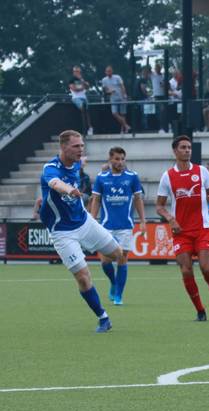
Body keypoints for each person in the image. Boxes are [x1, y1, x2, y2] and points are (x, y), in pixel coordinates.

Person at [40, 130, 124, 332]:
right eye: (76, 146)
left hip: (85, 222)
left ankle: (113, 283)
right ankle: (103, 317)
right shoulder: (50, 168)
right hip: (62, 232)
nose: (81, 149)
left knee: (118, 254)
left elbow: (80, 164)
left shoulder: (77, 163)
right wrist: (69, 190)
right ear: (63, 147)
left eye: (82, 146)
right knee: (83, 277)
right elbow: (55, 183)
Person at [156, 136, 209, 321]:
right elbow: (159, 205)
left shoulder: (202, 171)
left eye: (189, 148)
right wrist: (171, 219)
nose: (187, 150)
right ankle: (200, 311)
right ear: (175, 151)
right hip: (181, 232)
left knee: (206, 268)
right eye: (183, 147)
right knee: (186, 271)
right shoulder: (167, 176)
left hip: (202, 228)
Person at [89, 147, 146, 305]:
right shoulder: (101, 178)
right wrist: (92, 220)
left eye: (122, 159)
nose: (120, 162)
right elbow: (96, 200)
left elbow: (138, 199)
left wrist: (143, 221)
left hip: (125, 226)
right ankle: (114, 282)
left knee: (122, 258)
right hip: (107, 225)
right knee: (105, 261)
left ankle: (119, 295)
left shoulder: (132, 177)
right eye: (117, 159)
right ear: (110, 159)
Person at [101, 65, 131, 134]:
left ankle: (123, 130)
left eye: (110, 71)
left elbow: (122, 86)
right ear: (105, 72)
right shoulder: (104, 80)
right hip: (113, 99)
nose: (109, 72)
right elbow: (105, 90)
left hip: (121, 97)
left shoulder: (117, 77)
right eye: (107, 71)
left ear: (112, 71)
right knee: (114, 113)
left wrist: (124, 95)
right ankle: (126, 126)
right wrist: (109, 91)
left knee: (123, 114)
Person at [68, 66, 93, 135]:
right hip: (76, 98)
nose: (78, 73)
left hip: (84, 97)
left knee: (87, 111)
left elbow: (87, 87)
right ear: (74, 72)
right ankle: (84, 128)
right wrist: (82, 87)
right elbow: (74, 89)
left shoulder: (82, 80)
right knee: (82, 108)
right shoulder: (72, 80)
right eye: (76, 71)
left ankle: (90, 127)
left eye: (79, 72)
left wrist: (83, 82)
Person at [134, 66, 152, 131]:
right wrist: (148, 96)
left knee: (143, 113)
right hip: (142, 99)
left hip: (138, 99)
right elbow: (143, 89)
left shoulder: (138, 80)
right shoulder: (143, 80)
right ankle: (145, 127)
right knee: (145, 113)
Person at [151, 62, 167, 134]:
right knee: (159, 112)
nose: (158, 69)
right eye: (156, 68)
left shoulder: (163, 76)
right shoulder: (153, 75)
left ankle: (163, 127)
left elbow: (164, 85)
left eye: (159, 67)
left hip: (163, 95)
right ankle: (160, 127)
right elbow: (147, 70)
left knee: (163, 111)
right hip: (156, 96)